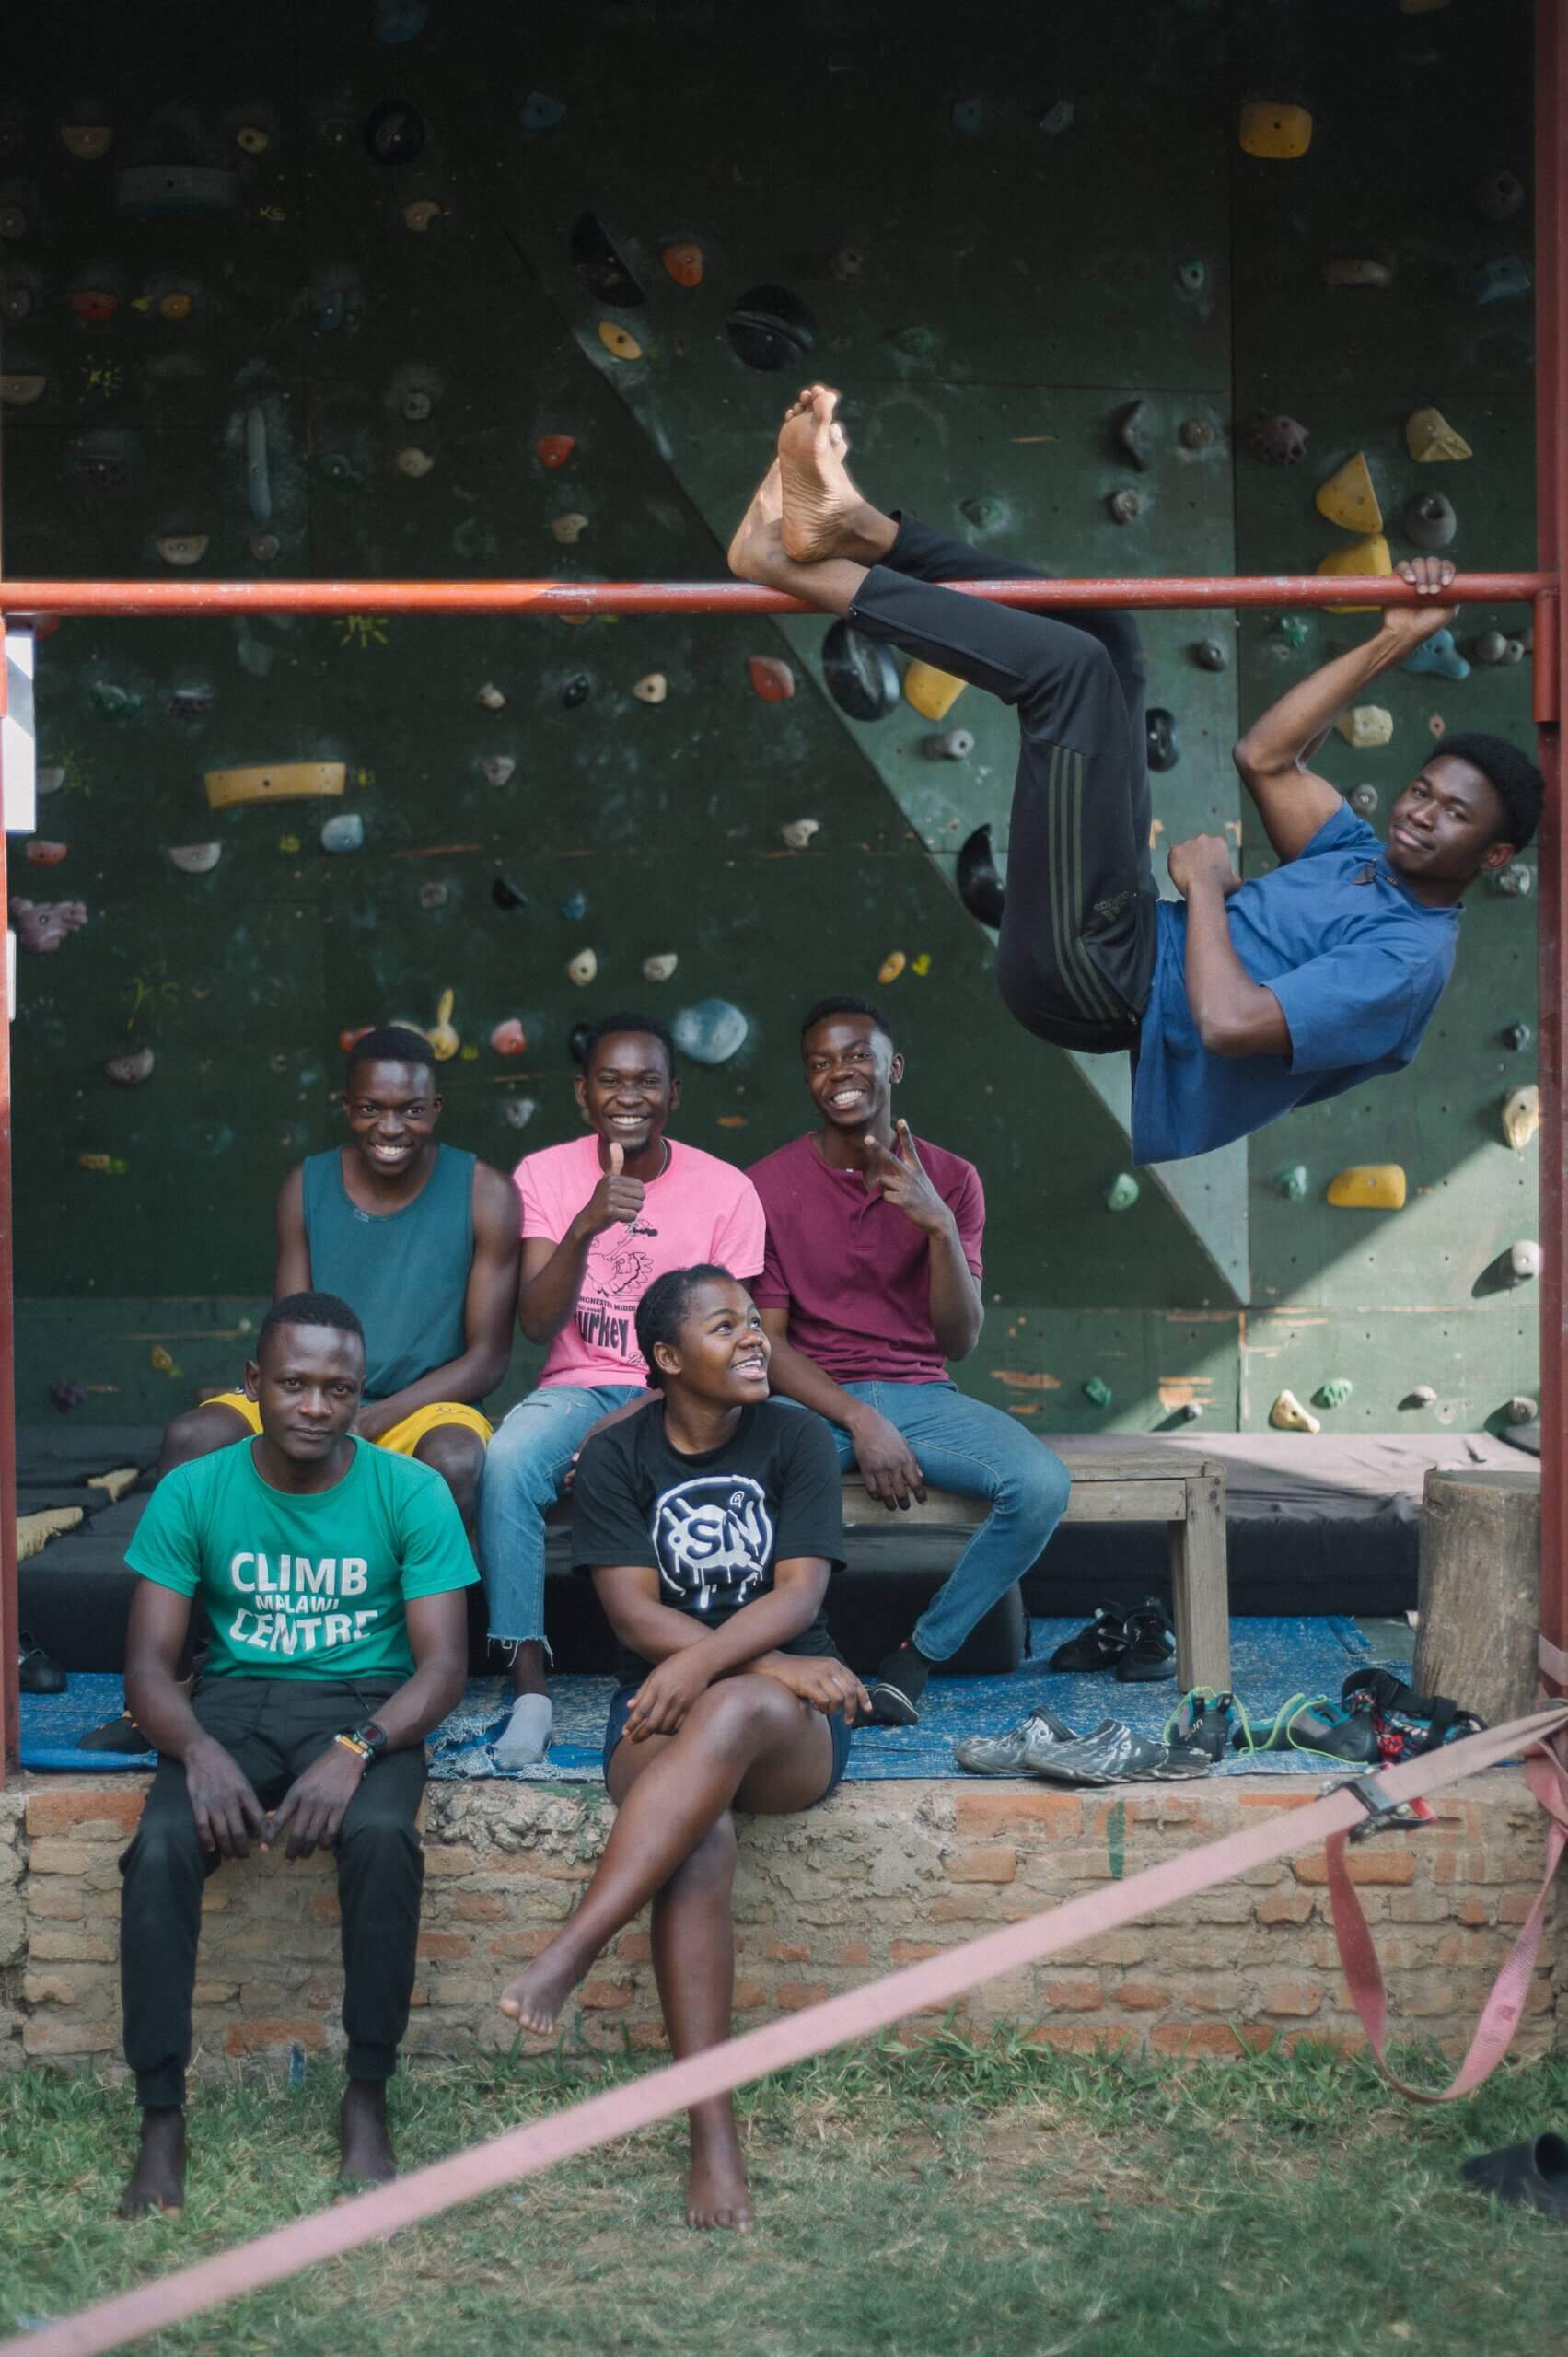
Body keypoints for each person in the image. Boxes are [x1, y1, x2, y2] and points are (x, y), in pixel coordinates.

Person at [727, 385, 1546, 1167]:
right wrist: (1390, 640)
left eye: (1454, 815)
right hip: (1125, 929)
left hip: (1096, 983)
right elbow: (1266, 756)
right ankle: (856, 527)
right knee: (1104, 635)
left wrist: (1201, 894)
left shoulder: (1404, 964)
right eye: (1421, 791)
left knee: (1067, 675)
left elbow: (1227, 1022)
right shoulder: (1357, 858)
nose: (1422, 814)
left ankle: (781, 563)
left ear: (1494, 855)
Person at [497, 1265, 867, 2231]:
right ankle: (713, 2139)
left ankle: (572, 1948)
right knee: (697, 1837)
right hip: (663, 1701)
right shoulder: (618, 1455)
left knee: (737, 1708)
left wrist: (760, 1668)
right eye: (724, 1327)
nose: (754, 1339)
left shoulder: (792, 1434)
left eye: (754, 1322)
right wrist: (748, 1663)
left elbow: (796, 1596)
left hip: (786, 1723)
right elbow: (628, 1611)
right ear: (665, 1358)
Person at [115, 1292, 476, 2215]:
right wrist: (197, 1750)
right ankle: (162, 2117)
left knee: (384, 1840)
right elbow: (150, 1670)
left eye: (337, 1388)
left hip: (367, 1703)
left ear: (361, 1393)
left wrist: (357, 1747)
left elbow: (442, 1667)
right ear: (253, 1384)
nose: (315, 1406)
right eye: (293, 1384)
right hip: (231, 1704)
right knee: (157, 1851)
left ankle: (366, 2095)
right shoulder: (198, 1488)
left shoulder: (409, 1490)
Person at [80, 1025, 517, 1752]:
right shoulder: (305, 1185)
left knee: (455, 1461)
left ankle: (415, 1690)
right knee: (192, 1439)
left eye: (410, 1110)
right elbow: (287, 1329)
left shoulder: (485, 1191)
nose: (390, 1127)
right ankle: (180, 1683)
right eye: (371, 1108)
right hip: (308, 1387)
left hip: (419, 1402)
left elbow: (487, 1360)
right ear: (344, 1106)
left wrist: (368, 1419)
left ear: (436, 1108)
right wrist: (315, 1407)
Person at [748, 997, 1070, 1726]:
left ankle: (915, 1658)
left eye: (856, 1054)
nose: (840, 1074)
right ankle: (807, 1646)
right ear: (808, 1081)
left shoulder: (952, 1180)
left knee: (1040, 1485)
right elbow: (767, 1347)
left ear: (892, 1066)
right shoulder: (766, 1184)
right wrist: (858, 1418)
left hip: (922, 1393)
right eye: (821, 1062)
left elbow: (957, 1341)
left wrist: (939, 1227)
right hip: (811, 1397)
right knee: (740, 1478)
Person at [477, 1015, 766, 1768]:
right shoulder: (543, 1173)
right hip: (577, 1390)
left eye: (646, 1081)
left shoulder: (725, 1190)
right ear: (583, 1095)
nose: (627, 1096)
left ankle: (721, 1661)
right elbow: (538, 1325)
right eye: (610, 1081)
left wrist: (642, 1411)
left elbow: (735, 1344)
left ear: (673, 1093)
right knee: (506, 1460)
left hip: (684, 1393)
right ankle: (532, 1690)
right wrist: (584, 1226)